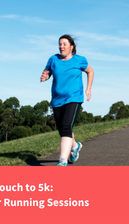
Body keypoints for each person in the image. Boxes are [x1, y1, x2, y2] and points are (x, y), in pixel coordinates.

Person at [40, 34, 94, 166]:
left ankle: (62, 161)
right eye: (60, 44)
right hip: (57, 99)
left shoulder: (79, 60)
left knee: (65, 126)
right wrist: (44, 77)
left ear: (72, 47)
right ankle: (75, 146)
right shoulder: (53, 59)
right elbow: (47, 72)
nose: (61, 46)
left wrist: (88, 89)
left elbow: (90, 71)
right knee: (63, 129)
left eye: (64, 44)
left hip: (74, 97)